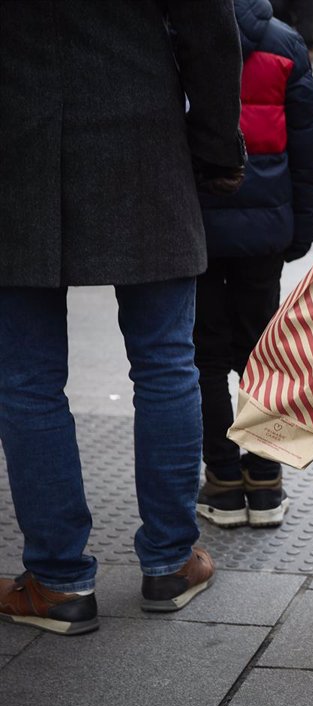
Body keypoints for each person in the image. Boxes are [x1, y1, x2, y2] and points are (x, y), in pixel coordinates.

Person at [0, 0, 244, 634]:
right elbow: (208, 28)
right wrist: (217, 148)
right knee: (165, 363)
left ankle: (56, 583)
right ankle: (168, 562)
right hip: (141, 138)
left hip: (13, 144)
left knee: (26, 380)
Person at [194, 0, 313, 531]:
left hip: (195, 224)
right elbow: (308, 144)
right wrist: (301, 227)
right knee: (261, 352)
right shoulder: (284, 43)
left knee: (202, 356)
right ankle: (266, 480)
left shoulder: (179, 37)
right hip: (264, 231)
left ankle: (223, 481)